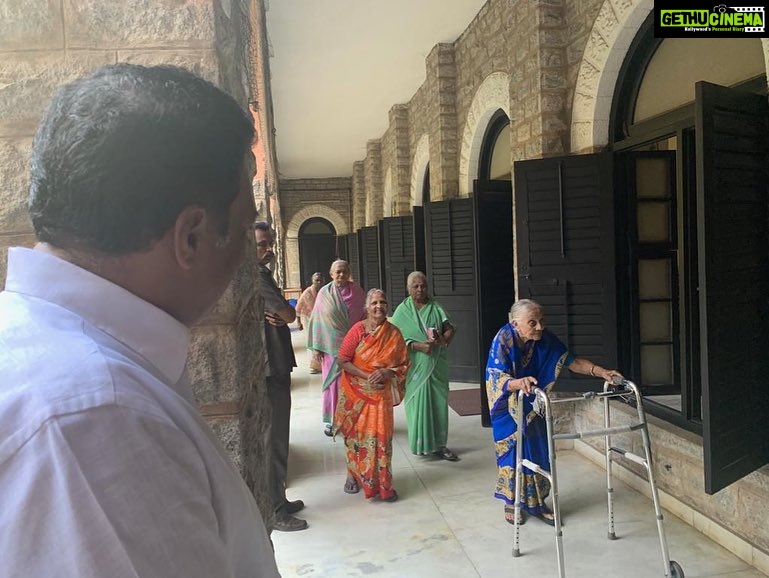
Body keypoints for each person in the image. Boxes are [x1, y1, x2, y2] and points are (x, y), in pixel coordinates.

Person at [0, 64, 280, 577]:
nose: (247, 254)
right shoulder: (96, 422)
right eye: (242, 229)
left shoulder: (44, 347)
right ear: (192, 236)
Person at [485, 299, 623, 526]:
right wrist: (517, 382)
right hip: (509, 407)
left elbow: (571, 361)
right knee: (514, 454)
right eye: (533, 322)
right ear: (516, 323)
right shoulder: (503, 339)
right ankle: (512, 502)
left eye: (542, 321)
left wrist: (601, 372)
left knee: (539, 451)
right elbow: (495, 375)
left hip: (535, 404)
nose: (539, 327)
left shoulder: (544, 338)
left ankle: (538, 504)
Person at [333, 289, 410, 502]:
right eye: (374, 302)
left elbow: (404, 364)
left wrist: (388, 372)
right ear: (367, 307)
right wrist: (366, 375)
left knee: (381, 439)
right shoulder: (358, 330)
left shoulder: (394, 334)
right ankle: (353, 475)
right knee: (356, 437)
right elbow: (342, 360)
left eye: (383, 302)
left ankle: (383, 485)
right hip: (357, 394)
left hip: (380, 396)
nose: (379, 306)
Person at [255, 222, 307, 532]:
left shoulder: (260, 274)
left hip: (277, 364)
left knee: (279, 438)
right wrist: (285, 315)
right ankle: (274, 509)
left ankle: (280, 498)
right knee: (272, 440)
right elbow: (289, 315)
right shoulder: (255, 275)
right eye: (261, 243)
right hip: (269, 365)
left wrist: (286, 314)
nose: (268, 248)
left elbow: (289, 314)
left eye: (269, 242)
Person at [391, 271, 458, 461]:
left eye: (423, 286)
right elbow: (393, 339)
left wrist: (442, 340)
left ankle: (440, 445)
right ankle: (420, 445)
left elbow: (450, 329)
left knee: (438, 405)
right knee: (417, 404)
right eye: (416, 286)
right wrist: (416, 345)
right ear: (408, 288)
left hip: (436, 365)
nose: (420, 289)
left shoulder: (436, 307)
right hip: (414, 368)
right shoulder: (402, 311)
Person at [306, 259, 366, 436]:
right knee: (333, 385)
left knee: (353, 385)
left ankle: (353, 420)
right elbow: (316, 319)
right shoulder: (325, 293)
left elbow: (365, 316)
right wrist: (317, 348)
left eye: (344, 271)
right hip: (331, 348)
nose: (341, 275)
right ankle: (332, 421)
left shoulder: (358, 291)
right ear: (331, 274)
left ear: (349, 273)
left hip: (354, 347)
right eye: (337, 272)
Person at [295, 271, 324, 374]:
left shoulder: (324, 291)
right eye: (317, 280)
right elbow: (298, 307)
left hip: (321, 320)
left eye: (321, 280)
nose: (319, 282)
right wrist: (298, 322)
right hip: (308, 319)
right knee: (311, 341)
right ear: (312, 281)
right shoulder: (307, 292)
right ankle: (313, 366)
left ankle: (321, 365)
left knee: (320, 340)